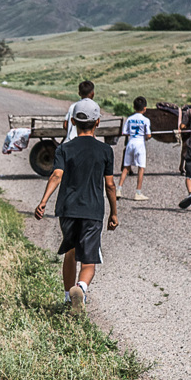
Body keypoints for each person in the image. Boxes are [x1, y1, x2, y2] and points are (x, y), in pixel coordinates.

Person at [34, 98, 118, 314]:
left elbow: (56, 175)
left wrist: (43, 201)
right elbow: (110, 185)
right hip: (92, 211)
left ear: (73, 121)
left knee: (70, 251)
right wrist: (114, 213)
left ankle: (67, 297)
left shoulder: (64, 148)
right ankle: (80, 288)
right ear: (98, 122)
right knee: (89, 259)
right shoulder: (105, 150)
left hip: (68, 209)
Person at [116, 96, 152, 200]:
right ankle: (138, 192)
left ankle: (119, 189)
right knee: (141, 168)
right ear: (144, 108)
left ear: (134, 107)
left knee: (126, 167)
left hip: (130, 143)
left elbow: (124, 132)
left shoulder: (129, 119)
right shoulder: (145, 120)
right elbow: (148, 135)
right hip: (140, 144)